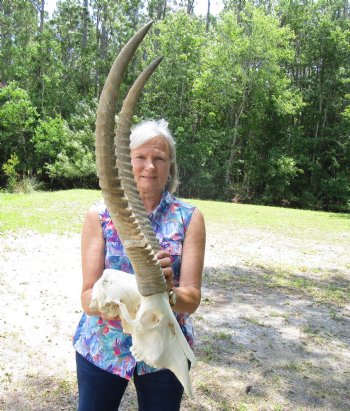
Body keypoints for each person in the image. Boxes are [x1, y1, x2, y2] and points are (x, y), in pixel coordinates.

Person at [73, 119, 206, 411]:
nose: (150, 166)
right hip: (104, 345)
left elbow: (192, 299)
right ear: (126, 162)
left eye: (159, 158)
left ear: (170, 165)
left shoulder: (188, 218)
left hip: (164, 347)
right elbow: (87, 298)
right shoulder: (100, 216)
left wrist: (167, 292)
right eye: (141, 158)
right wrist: (125, 295)